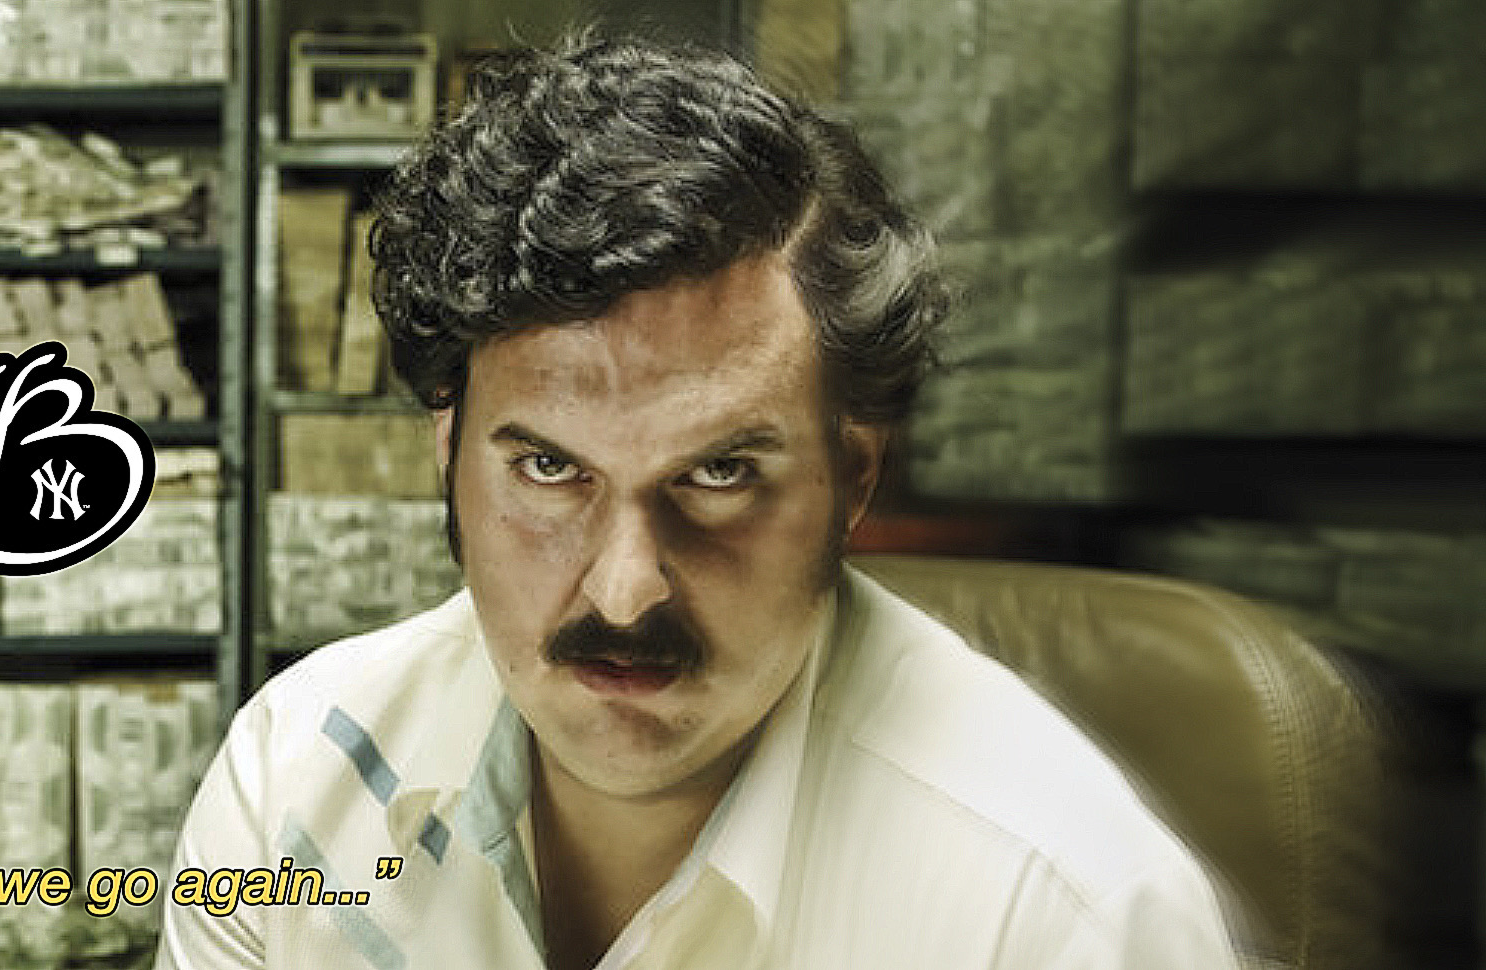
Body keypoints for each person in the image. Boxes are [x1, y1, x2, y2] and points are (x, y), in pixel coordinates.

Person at [159, 33, 1241, 970]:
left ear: (854, 477)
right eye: (549, 470)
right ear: (447, 453)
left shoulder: (1064, 916)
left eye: (719, 476)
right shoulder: (299, 787)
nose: (624, 591)